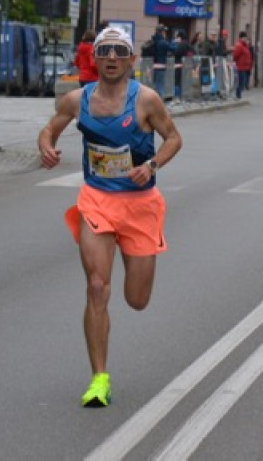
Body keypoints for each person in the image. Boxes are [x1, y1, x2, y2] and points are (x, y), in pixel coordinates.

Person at [37, 26, 183, 409]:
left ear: (132, 60)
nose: (113, 57)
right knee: (97, 286)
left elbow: (173, 138)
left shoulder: (146, 100)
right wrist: (47, 148)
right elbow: (48, 130)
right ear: (95, 58)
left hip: (140, 206)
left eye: (120, 51)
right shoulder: (76, 100)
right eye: (106, 51)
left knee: (136, 300)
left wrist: (151, 164)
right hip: (97, 201)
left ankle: (137, 274)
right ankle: (98, 378)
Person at [150, 24, 172, 97]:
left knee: (155, 84)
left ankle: (154, 101)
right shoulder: (163, 42)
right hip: (160, 66)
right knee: (160, 85)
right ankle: (160, 102)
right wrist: (175, 42)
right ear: (161, 32)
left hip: (153, 66)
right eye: (164, 31)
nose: (165, 33)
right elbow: (173, 48)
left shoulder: (153, 40)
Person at [232, 31, 253, 99]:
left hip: (245, 67)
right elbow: (235, 56)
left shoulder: (245, 45)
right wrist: (238, 63)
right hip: (240, 67)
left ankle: (239, 95)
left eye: (246, 38)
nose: (246, 39)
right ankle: (238, 95)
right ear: (241, 38)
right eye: (245, 38)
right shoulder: (239, 45)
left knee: (242, 82)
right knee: (240, 82)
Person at [172, 31, 191, 100]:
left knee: (177, 81)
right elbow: (192, 52)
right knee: (184, 81)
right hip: (186, 65)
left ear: (180, 37)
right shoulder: (188, 44)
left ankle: (177, 96)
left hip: (178, 65)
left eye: (177, 37)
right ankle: (184, 95)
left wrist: (174, 44)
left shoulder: (181, 44)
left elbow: (176, 53)